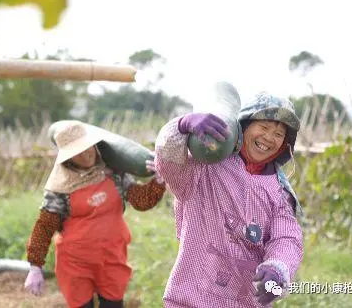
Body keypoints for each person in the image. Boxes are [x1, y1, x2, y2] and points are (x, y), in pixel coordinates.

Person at [154, 91, 304, 307]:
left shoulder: (279, 192)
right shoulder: (205, 168)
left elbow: (287, 238)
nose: (269, 138)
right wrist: (180, 126)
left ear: (284, 145)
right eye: (263, 127)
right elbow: (169, 164)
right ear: (242, 127)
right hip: (191, 298)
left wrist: (278, 269)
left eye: (279, 134)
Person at [24, 121, 166, 308]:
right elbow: (45, 226)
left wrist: (158, 182)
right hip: (76, 264)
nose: (87, 154)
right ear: (68, 158)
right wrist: (35, 265)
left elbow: (141, 201)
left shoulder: (113, 174)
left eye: (88, 147)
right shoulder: (59, 187)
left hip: (112, 258)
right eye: (78, 153)